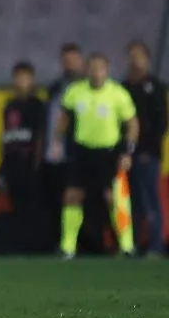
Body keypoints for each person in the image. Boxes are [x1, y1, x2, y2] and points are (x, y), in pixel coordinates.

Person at [53, 53, 139, 259]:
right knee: (72, 195)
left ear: (107, 71)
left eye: (100, 68)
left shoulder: (118, 94)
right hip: (81, 150)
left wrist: (128, 151)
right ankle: (68, 247)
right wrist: (57, 141)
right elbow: (64, 116)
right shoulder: (75, 91)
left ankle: (127, 245)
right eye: (92, 68)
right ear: (86, 70)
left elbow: (132, 124)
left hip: (108, 152)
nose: (96, 72)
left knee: (114, 198)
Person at [0, 61, 46, 253]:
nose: (21, 82)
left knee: (33, 208)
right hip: (12, 165)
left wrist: (37, 164)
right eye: (17, 77)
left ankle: (35, 247)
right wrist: (2, 168)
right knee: (16, 206)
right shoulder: (9, 105)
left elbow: (41, 136)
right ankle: (20, 247)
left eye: (25, 78)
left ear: (32, 80)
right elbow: (5, 136)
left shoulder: (37, 105)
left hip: (29, 165)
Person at [122, 41, 167, 257]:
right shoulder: (122, 88)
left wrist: (149, 150)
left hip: (148, 155)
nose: (134, 60)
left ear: (147, 61)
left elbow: (161, 123)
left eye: (139, 56)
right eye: (131, 55)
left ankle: (156, 245)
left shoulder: (155, 87)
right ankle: (134, 245)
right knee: (132, 202)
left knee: (151, 200)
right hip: (126, 155)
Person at [41, 43, 84, 253]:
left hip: (79, 152)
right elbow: (48, 122)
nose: (69, 64)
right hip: (55, 153)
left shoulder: (86, 87)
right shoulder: (55, 88)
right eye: (66, 60)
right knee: (56, 200)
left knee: (79, 199)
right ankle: (61, 243)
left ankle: (84, 244)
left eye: (73, 59)